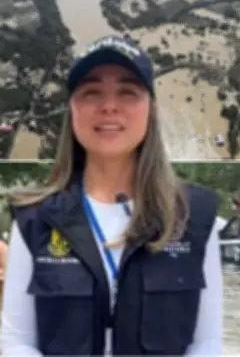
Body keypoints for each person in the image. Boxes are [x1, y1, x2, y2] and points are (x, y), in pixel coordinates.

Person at [1, 36, 223, 355]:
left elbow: (206, 342)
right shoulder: (34, 217)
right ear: (72, 109)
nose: (109, 106)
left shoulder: (194, 213)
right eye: (91, 93)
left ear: (151, 109)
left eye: (128, 92)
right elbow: (17, 341)